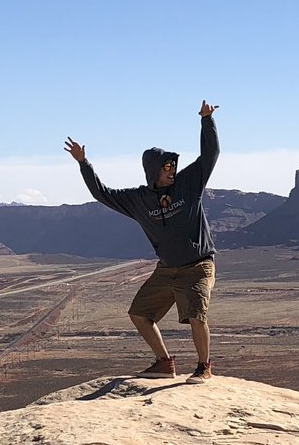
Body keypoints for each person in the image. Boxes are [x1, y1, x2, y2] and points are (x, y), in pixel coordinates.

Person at [65, 102, 220, 380]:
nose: (172, 170)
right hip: (166, 269)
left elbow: (211, 154)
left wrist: (206, 121)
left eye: (173, 165)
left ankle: (203, 367)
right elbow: (103, 193)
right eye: (166, 167)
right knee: (139, 314)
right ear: (153, 171)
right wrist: (83, 164)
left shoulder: (188, 184)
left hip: (198, 266)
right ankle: (164, 362)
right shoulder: (139, 200)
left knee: (196, 314)